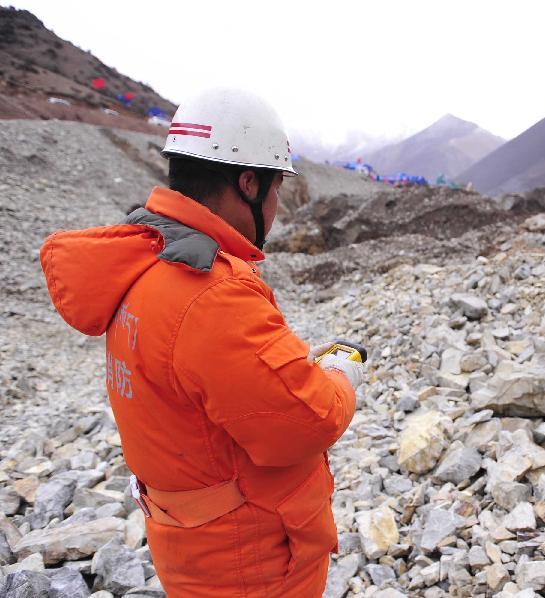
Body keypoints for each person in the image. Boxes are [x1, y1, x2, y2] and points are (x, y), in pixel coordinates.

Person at [40, 88, 364, 597]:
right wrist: (343, 375)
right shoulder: (213, 293)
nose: (278, 206)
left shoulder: (145, 265)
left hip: (190, 545)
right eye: (277, 187)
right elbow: (307, 421)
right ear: (249, 182)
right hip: (252, 561)